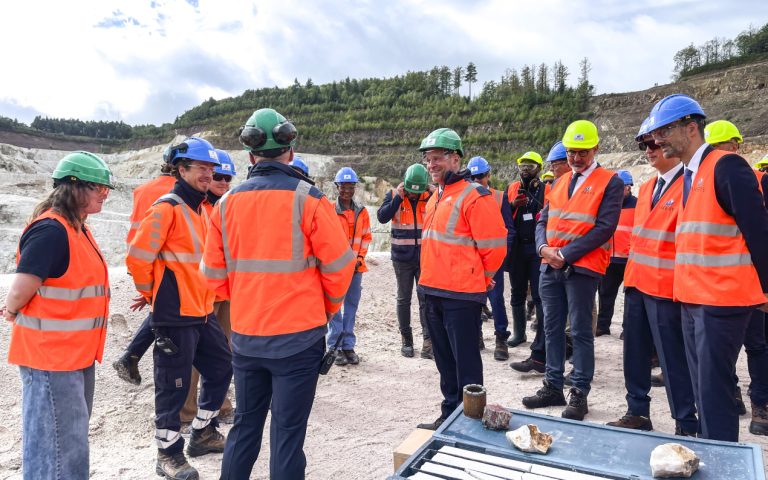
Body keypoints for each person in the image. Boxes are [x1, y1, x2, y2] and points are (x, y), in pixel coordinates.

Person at [201, 108, 355, 479]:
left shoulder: (225, 205)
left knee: (244, 428)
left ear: (251, 156)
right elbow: (339, 268)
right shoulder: (311, 200)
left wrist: (245, 300)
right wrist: (325, 309)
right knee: (287, 436)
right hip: (299, 339)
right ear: (290, 150)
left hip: (248, 337)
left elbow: (212, 276)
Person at [646, 94, 768, 441]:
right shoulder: (689, 174)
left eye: (665, 131)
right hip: (693, 299)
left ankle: (722, 463)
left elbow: (759, 232)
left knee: (714, 392)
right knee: (703, 388)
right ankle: (712, 453)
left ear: (691, 128)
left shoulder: (727, 166)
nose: (657, 140)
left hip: (722, 300)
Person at [126, 137, 233, 479]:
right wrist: (156, 295)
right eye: (201, 168)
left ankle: (201, 433)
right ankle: (168, 455)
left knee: (220, 369)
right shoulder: (167, 208)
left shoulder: (200, 210)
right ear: (181, 169)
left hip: (200, 311)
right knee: (171, 389)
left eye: (210, 169)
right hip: (175, 315)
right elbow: (138, 258)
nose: (208, 174)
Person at [3, 152, 113, 479]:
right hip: (51, 357)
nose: (104, 195)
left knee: (70, 442)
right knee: (57, 447)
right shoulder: (51, 231)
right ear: (74, 187)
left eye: (107, 191)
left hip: (74, 355)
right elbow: (21, 288)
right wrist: (10, 310)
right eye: (99, 189)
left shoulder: (77, 228)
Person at [522, 120, 623, 421]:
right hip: (550, 266)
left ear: (595, 149)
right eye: (571, 152)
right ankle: (552, 385)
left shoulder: (610, 182)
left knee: (580, 332)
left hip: (581, 268)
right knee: (551, 328)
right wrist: (543, 250)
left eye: (582, 152)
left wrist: (564, 254)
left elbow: (604, 228)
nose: (576, 158)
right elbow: (543, 221)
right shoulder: (560, 183)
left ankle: (579, 391)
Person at [606, 118, 698, 436]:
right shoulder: (647, 189)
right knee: (634, 354)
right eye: (643, 145)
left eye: (654, 143)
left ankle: (686, 422)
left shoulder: (690, 185)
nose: (648, 150)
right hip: (636, 283)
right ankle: (637, 412)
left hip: (667, 289)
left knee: (673, 360)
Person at [414, 128, 507, 430]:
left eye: (437, 158)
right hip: (432, 291)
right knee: (444, 361)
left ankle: (470, 420)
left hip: (461, 295)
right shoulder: (435, 198)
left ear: (455, 158)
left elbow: (494, 247)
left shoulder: (474, 196)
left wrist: (482, 278)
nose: (432, 165)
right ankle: (448, 414)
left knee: (466, 363)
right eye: (428, 159)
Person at [704, 119, 768, 433]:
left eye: (722, 147)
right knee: (744, 347)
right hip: (731, 283)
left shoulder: (748, 177)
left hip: (744, 281)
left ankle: (758, 405)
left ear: (736, 147)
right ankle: (752, 404)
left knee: (752, 345)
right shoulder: (711, 178)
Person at [179, 149, 238, 429]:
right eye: (218, 177)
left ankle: (219, 404)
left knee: (223, 350)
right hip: (202, 291)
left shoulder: (229, 206)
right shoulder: (198, 208)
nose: (223, 182)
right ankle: (187, 410)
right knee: (195, 353)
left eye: (227, 178)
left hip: (225, 290)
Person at [114, 147, 177, 385]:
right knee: (164, 308)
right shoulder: (180, 192)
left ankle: (132, 355)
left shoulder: (142, 190)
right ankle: (132, 354)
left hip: (138, 258)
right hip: (164, 261)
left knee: (158, 306)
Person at [376, 163, 434, 359]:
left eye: (416, 193)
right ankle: (406, 340)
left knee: (426, 300)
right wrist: (397, 200)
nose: (413, 196)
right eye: (410, 192)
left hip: (426, 257)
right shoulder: (394, 195)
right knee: (404, 299)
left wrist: (437, 193)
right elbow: (382, 217)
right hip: (402, 258)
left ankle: (428, 341)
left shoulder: (432, 196)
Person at [466, 156, 516, 361]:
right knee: (474, 300)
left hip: (493, 259)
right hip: (471, 259)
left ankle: (501, 338)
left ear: (488, 176)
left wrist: (500, 257)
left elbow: (509, 231)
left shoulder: (498, 197)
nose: (477, 181)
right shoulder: (465, 198)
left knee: (496, 299)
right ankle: (476, 336)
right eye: (473, 177)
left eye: (481, 177)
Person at [327, 167, 371, 366]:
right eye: (343, 187)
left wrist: (359, 259)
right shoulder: (328, 211)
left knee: (351, 308)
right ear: (337, 187)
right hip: (335, 270)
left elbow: (366, 238)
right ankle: (334, 346)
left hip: (355, 269)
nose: (347, 191)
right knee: (334, 308)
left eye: (350, 187)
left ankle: (348, 346)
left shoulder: (362, 212)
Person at [505, 151, 547, 350]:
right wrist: (514, 205)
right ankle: (519, 333)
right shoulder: (512, 188)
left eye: (530, 167)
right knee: (517, 292)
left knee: (539, 294)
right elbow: (502, 215)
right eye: (522, 166)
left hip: (537, 248)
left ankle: (541, 335)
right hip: (517, 248)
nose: (525, 170)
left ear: (539, 169)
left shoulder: (546, 190)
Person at [595, 170, 636, 336]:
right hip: (609, 258)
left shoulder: (638, 205)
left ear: (629, 187)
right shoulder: (607, 204)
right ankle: (602, 325)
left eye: (623, 187)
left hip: (629, 259)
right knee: (605, 293)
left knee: (630, 297)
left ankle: (628, 329)